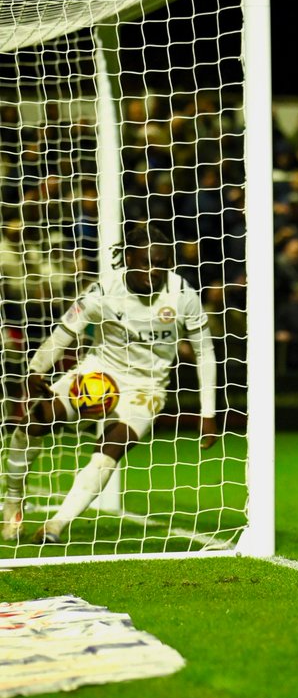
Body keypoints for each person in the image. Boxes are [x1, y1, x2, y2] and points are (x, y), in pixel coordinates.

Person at [1, 225, 218, 543]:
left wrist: (208, 413)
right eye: (145, 263)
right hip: (98, 373)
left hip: (146, 387)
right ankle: (13, 503)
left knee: (107, 453)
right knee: (33, 423)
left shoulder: (183, 295)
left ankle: (55, 526)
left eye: (160, 264)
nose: (153, 272)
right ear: (129, 258)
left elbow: (205, 352)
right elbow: (63, 334)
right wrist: (36, 371)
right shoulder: (101, 293)